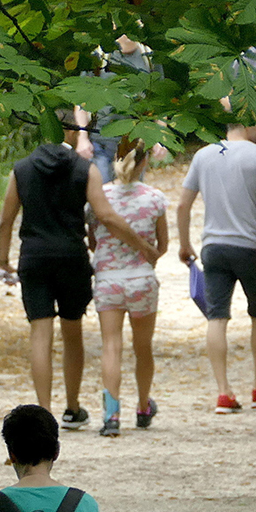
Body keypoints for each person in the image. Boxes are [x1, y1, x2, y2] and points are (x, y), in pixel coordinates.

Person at [0, 137, 163, 427]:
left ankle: (44, 412)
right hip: (71, 257)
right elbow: (104, 215)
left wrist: (2, 259)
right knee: (72, 331)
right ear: (71, 133)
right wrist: (143, 246)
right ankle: (72, 407)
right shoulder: (84, 168)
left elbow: (5, 220)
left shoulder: (20, 169)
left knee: (40, 333)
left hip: (34, 257)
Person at [177, 117, 256, 415]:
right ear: (246, 124)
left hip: (214, 247)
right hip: (250, 247)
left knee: (216, 316)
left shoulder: (204, 154)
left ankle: (223, 391)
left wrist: (184, 243)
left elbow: (183, 204)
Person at [85, 139, 167, 436]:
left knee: (111, 346)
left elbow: (93, 242)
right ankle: (143, 406)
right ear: (145, 162)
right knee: (142, 347)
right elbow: (163, 245)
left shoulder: (98, 198)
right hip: (141, 280)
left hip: (108, 280)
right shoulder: (155, 198)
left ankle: (111, 415)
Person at [72, 35, 155, 183]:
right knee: (103, 193)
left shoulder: (149, 57)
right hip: (100, 140)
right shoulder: (99, 57)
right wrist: (83, 138)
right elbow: (81, 101)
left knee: (132, 194)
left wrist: (159, 139)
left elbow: (160, 101)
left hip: (135, 142)